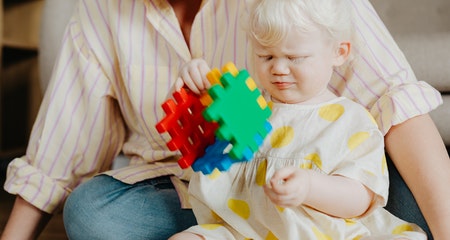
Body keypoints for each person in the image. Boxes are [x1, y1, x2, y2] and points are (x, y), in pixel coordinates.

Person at [1, 0, 448, 239]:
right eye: (267, 55)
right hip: (209, 189)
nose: (277, 66)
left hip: (326, 179)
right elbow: (54, 156)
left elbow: (396, 99)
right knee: (93, 213)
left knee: (407, 203)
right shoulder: (101, 11)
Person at [170, 0, 426, 239]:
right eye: (266, 56)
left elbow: (361, 199)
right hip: (241, 230)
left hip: (316, 232)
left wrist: (309, 188)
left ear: (339, 52)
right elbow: (210, 147)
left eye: (295, 58)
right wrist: (199, 84)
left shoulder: (350, 121)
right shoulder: (252, 110)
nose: (279, 68)